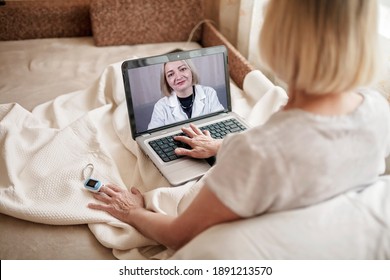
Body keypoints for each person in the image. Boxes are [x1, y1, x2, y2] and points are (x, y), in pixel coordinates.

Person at [88, 0, 390, 251]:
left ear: (280, 36)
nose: (177, 76)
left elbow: (180, 235)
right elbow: (305, 155)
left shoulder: (258, 151)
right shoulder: (377, 108)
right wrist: (222, 146)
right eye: (170, 74)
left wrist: (133, 212)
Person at [147, 59, 224, 129]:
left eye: (182, 69)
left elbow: (221, 123)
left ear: (191, 71)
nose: (178, 77)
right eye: (171, 74)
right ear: (166, 81)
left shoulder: (209, 93)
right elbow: (152, 137)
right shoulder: (160, 107)